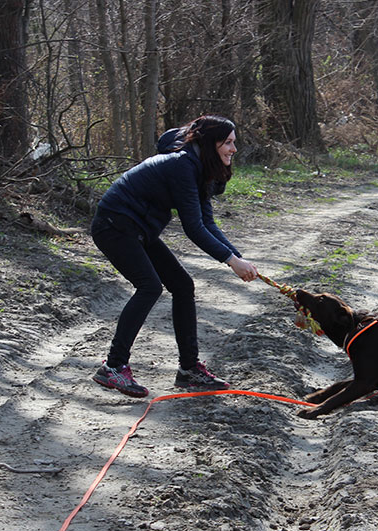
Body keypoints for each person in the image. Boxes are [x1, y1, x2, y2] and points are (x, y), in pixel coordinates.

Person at [89, 115, 258, 397]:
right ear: (210, 143)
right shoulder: (181, 165)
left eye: (234, 142)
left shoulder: (197, 167)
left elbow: (207, 223)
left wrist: (238, 259)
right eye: (228, 142)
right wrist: (231, 261)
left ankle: (188, 370)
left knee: (182, 285)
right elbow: (193, 228)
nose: (234, 149)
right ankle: (113, 367)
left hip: (138, 229)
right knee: (149, 286)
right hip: (115, 226)